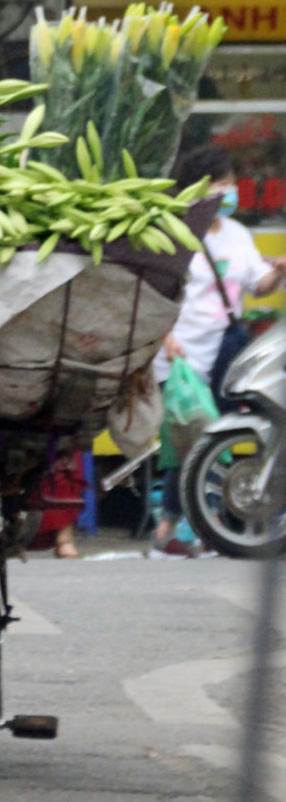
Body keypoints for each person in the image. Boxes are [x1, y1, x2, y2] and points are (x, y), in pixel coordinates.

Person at [150, 145, 286, 557]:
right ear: (196, 189)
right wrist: (162, 336)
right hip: (180, 357)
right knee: (191, 441)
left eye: (230, 184)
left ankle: (203, 527)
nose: (228, 192)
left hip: (226, 349)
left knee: (222, 438)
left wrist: (277, 272)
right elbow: (152, 291)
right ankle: (171, 530)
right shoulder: (174, 233)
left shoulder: (238, 234)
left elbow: (257, 285)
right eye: (220, 185)